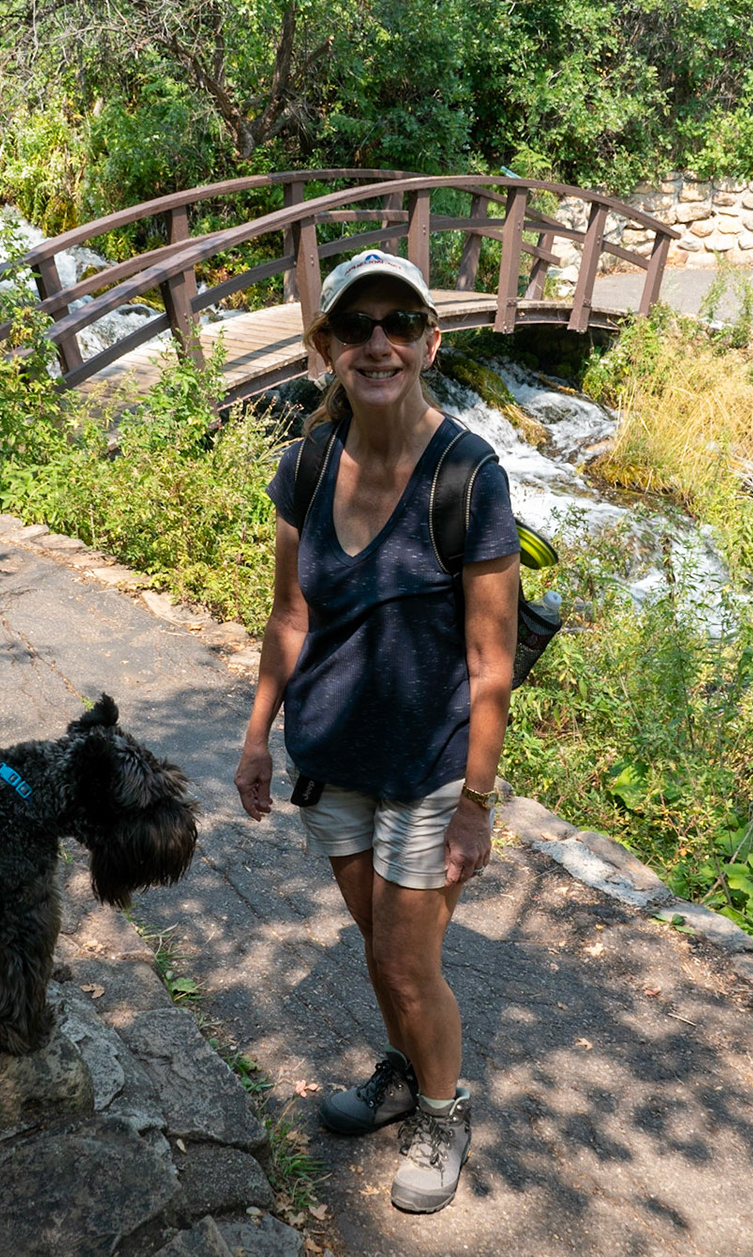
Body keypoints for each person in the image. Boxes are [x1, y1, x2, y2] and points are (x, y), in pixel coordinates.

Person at [233, 249, 519, 1213]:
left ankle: (445, 1108)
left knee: (405, 957)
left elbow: (492, 661)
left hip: (429, 768)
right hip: (333, 756)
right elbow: (289, 616)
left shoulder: (469, 475)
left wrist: (476, 803)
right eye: (356, 327)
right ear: (326, 350)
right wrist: (257, 733)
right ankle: (406, 1070)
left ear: (431, 341)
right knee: (375, 942)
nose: (378, 342)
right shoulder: (306, 462)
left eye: (398, 322)